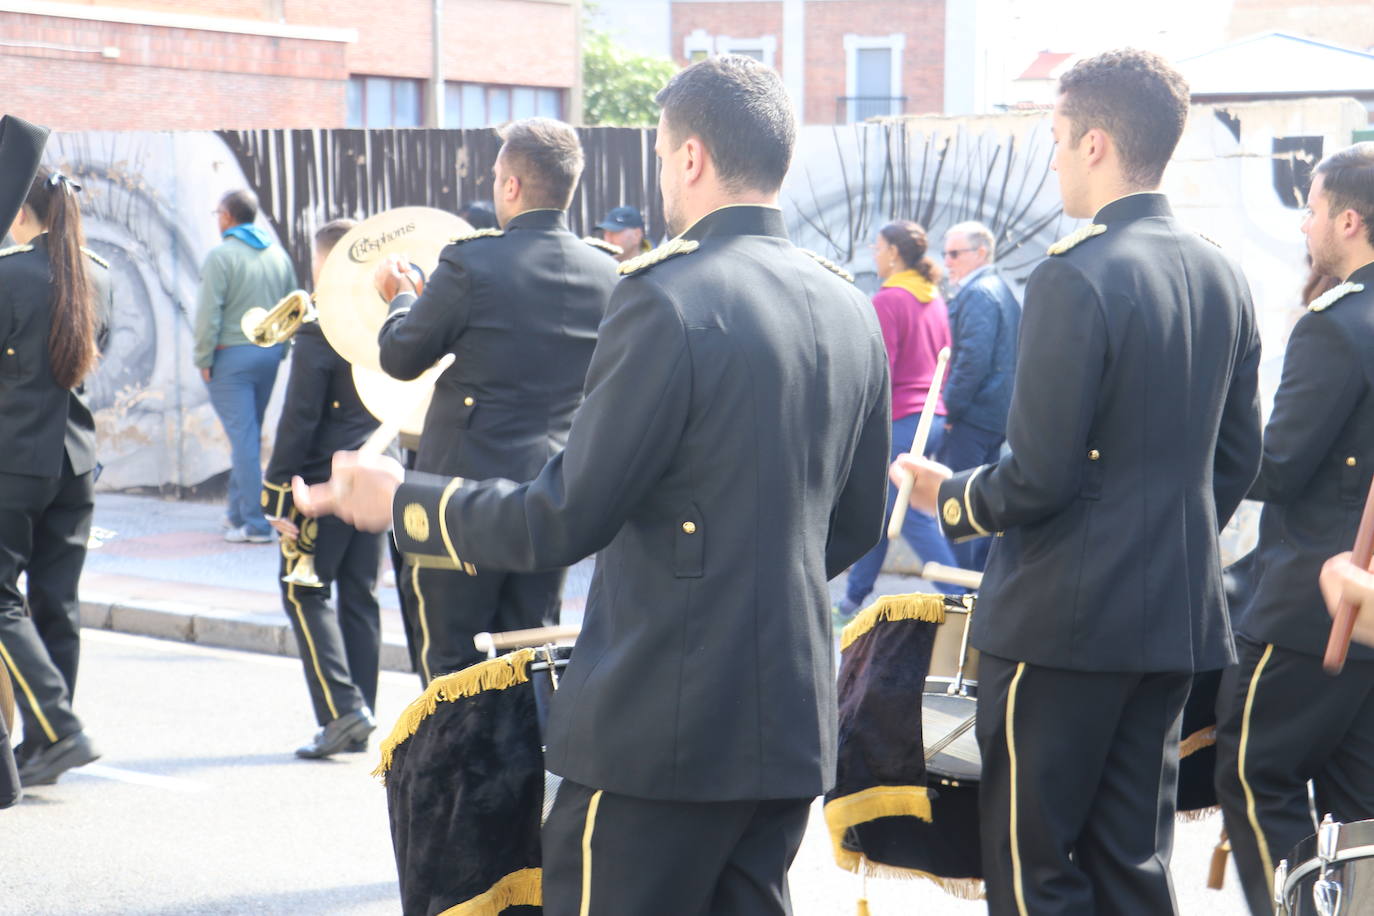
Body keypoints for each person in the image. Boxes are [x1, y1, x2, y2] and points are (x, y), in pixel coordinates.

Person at [300, 55, 890, 915]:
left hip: (659, 724)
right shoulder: (847, 304)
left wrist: (405, 501)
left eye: (659, 155)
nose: (660, 177)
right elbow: (855, 524)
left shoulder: (669, 294)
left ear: (690, 157)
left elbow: (563, 517)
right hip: (789, 720)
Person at [896, 49, 1262, 914]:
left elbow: (1039, 475)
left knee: (1036, 870)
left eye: (1058, 139)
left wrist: (945, 494)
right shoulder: (1221, 272)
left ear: (1095, 143)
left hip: (1064, 625)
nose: (1053, 157)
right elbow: (1238, 458)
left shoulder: (1074, 272)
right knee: (1133, 864)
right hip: (1171, 615)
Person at [375, 118, 618, 683]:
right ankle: (521, 774)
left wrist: (401, 296)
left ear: (510, 187)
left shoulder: (471, 263)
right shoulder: (608, 272)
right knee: (532, 657)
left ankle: (455, 774)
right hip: (551, 496)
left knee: (452, 669)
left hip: (459, 500)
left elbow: (400, 358)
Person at [1213, 143, 1374, 916]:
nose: (1304, 224)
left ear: (1348, 219)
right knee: (1356, 809)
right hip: (1366, 601)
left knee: (1253, 774)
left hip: (1316, 600)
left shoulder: (1336, 324)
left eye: (1309, 208)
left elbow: (1276, 468)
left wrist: (1216, 408)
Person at [0, 166, 114, 787]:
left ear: (21, 213)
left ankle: (60, 728)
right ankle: (48, 743)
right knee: (56, 601)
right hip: (75, 460)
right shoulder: (98, 271)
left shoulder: (8, 273)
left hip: (13, 458)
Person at [260, 219, 380, 759]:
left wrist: (275, 492)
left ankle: (341, 712)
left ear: (325, 262)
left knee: (302, 589)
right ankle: (362, 710)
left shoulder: (320, 324)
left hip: (321, 477)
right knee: (359, 595)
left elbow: (299, 417)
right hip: (374, 471)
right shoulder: (382, 316)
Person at [835, 220, 958, 620]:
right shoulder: (933, 298)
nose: (874, 253)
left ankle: (964, 600)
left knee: (907, 515)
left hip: (903, 418)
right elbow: (946, 357)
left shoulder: (889, 301)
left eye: (877, 246)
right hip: (931, 415)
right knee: (886, 511)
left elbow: (878, 370)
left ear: (893, 253)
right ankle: (854, 599)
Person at [194, 189, 297, 544]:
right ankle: (237, 513)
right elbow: (292, 309)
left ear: (227, 216)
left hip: (230, 357)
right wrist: (280, 352)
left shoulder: (221, 257)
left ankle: (256, 523)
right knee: (247, 436)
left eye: (217, 213)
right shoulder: (277, 256)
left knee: (245, 440)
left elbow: (209, 313)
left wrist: (203, 358)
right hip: (267, 357)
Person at [938, 220, 1020, 572]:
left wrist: (950, 411)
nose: (947, 262)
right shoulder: (996, 288)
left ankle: (960, 590)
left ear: (981, 253)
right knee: (981, 506)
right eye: (945, 254)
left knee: (958, 508)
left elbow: (971, 360)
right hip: (994, 415)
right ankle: (979, 587)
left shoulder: (979, 293)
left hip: (973, 415)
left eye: (955, 253)